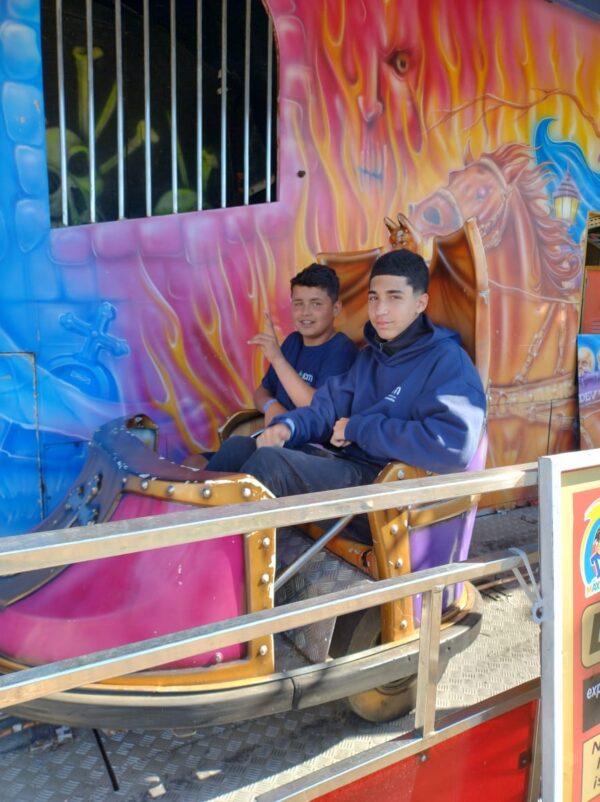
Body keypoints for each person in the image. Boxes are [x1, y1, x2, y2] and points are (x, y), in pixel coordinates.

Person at [205, 249, 486, 509]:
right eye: (374, 298)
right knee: (239, 447)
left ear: (420, 303)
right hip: (347, 466)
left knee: (271, 463)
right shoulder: (371, 356)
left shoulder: (446, 361)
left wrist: (358, 428)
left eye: (394, 297)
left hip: (385, 492)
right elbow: (327, 407)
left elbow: (454, 446)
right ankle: (193, 533)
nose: (380, 309)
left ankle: (222, 546)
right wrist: (288, 427)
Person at [251, 263, 358, 426]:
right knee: (235, 441)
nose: (305, 312)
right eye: (298, 303)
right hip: (277, 435)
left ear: (336, 308)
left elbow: (319, 410)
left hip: (312, 441)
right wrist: (271, 406)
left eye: (316, 304)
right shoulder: (293, 341)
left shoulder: (342, 350)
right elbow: (262, 392)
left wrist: (277, 359)